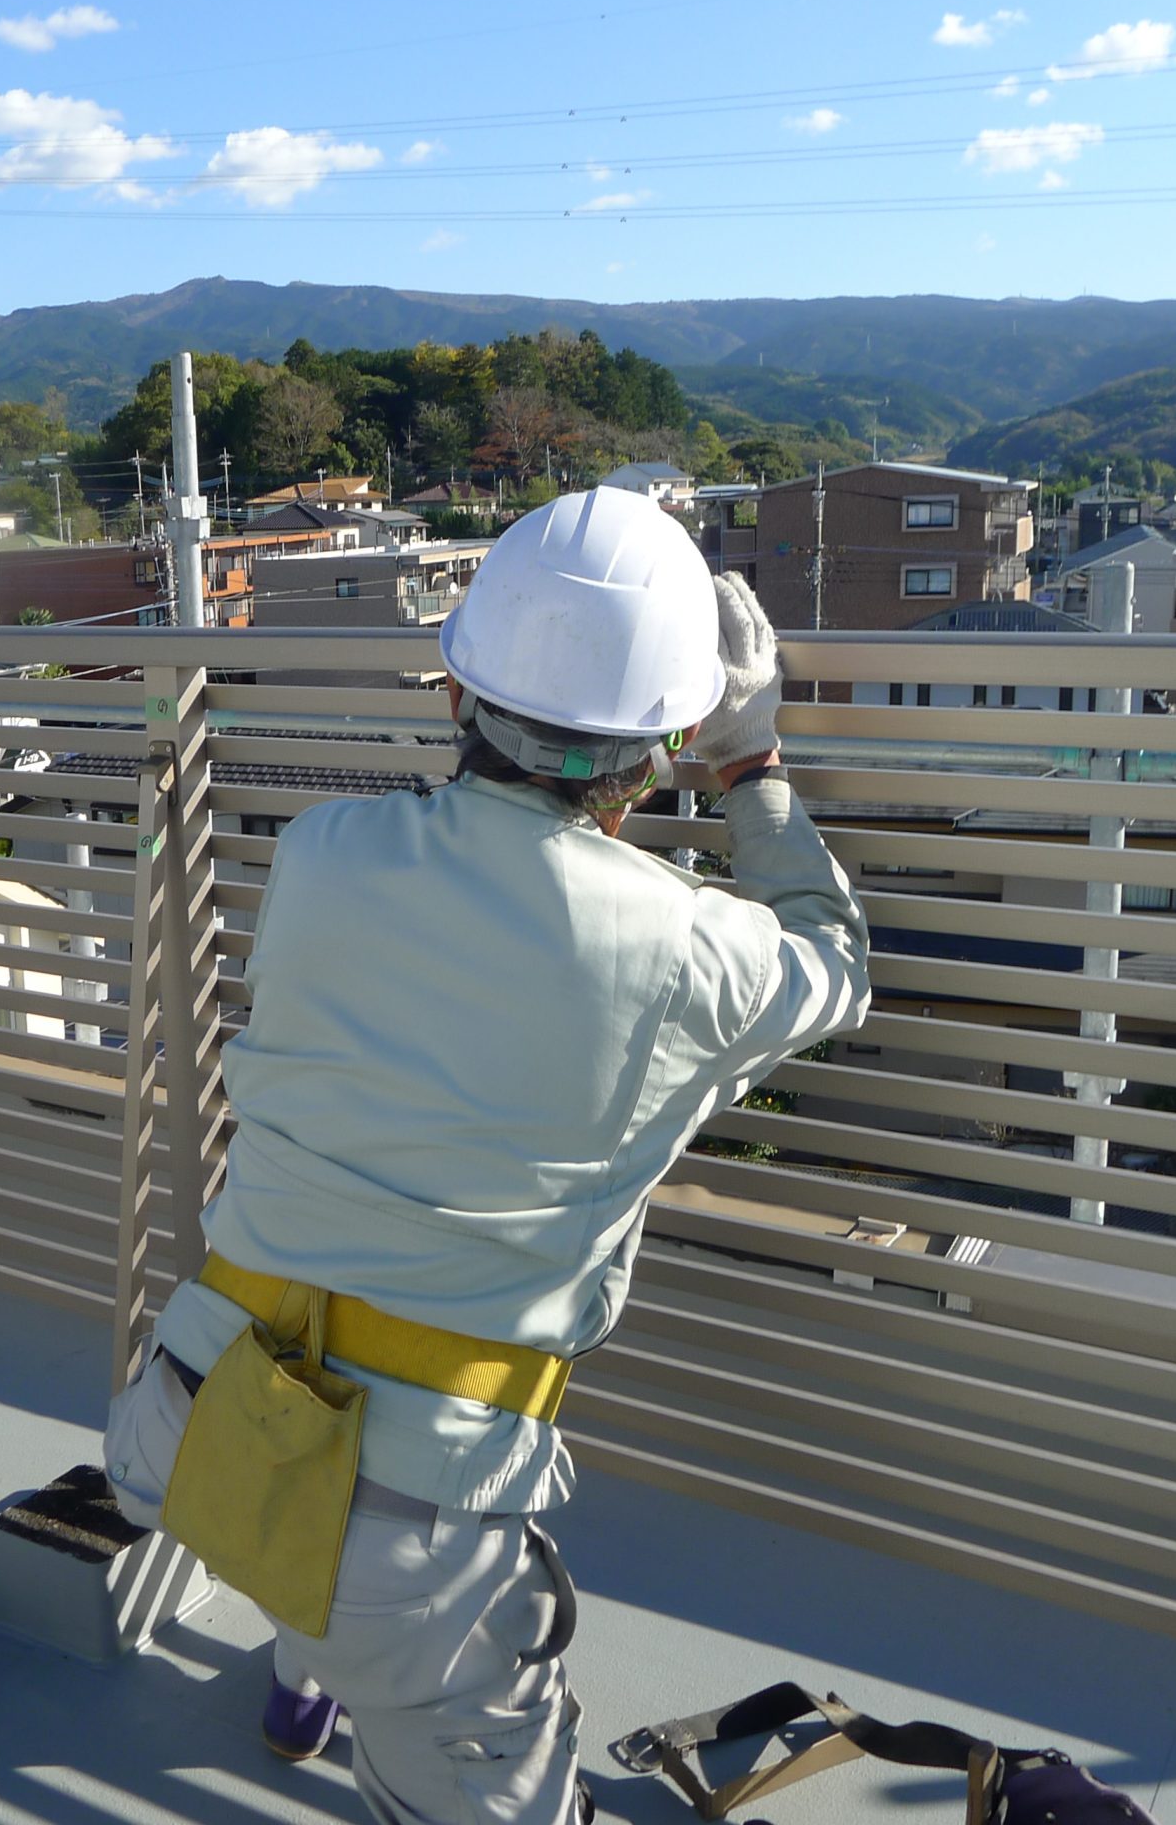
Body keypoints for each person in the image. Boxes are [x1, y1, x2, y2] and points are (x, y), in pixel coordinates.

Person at [103, 487, 871, 1825]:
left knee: (325, 1493)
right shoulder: (694, 950)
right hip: (408, 1537)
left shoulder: (324, 849)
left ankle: (303, 1694)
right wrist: (752, 766)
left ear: (460, 697)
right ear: (665, 742)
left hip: (190, 1408)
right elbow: (835, 965)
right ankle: (340, 1679)